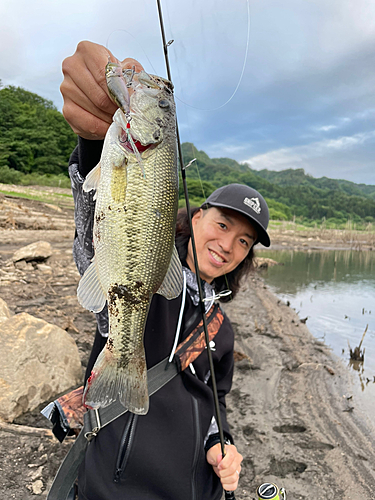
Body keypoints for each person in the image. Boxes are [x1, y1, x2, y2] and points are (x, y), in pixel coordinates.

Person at [61, 41, 271, 500]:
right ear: (195, 217)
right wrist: (92, 142)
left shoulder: (224, 330)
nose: (228, 245)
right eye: (222, 224)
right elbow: (93, 235)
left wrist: (222, 444)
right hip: (109, 488)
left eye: (244, 241)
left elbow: (215, 405)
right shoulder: (157, 284)